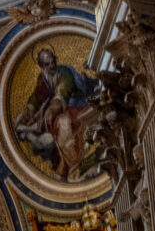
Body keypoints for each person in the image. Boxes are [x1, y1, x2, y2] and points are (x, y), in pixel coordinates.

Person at [14, 48, 98, 180]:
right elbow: (37, 97)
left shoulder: (64, 72)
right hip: (62, 108)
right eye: (47, 64)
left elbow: (62, 92)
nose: (52, 65)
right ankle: (67, 164)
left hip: (79, 105)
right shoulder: (43, 77)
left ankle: (74, 165)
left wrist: (50, 111)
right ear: (42, 66)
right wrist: (29, 113)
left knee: (62, 123)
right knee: (54, 123)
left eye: (53, 61)